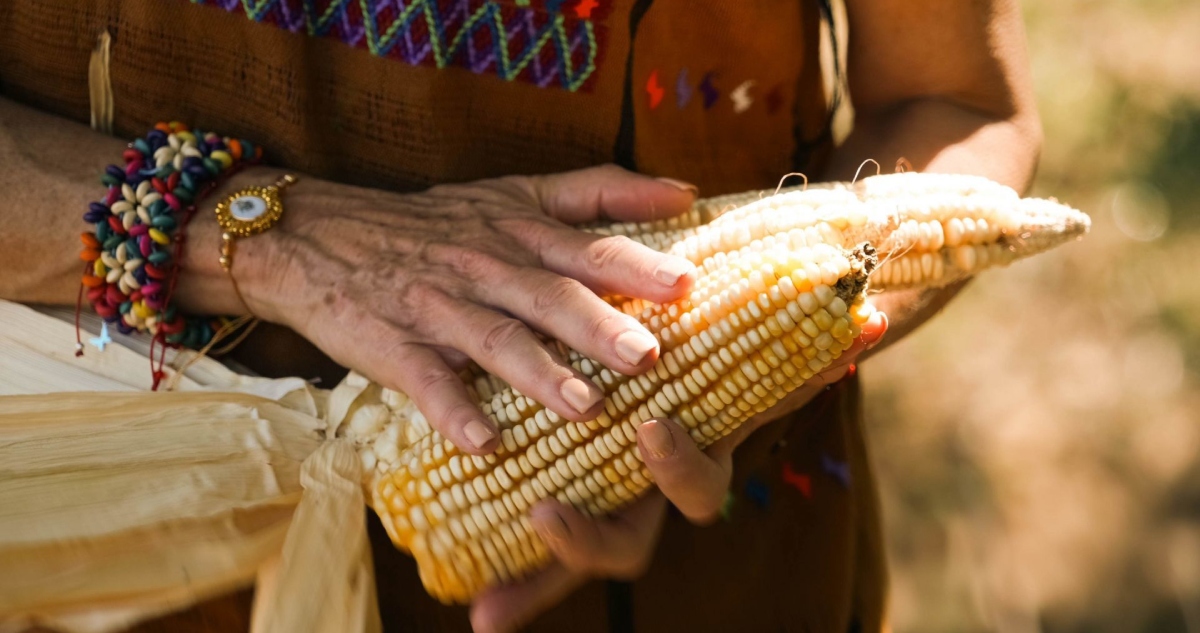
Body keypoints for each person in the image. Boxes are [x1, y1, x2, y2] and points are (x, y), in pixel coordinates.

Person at [0, 0, 1041, 631]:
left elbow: (956, 99)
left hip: (670, 559)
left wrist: (737, 363)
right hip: (80, 540)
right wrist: (262, 241)